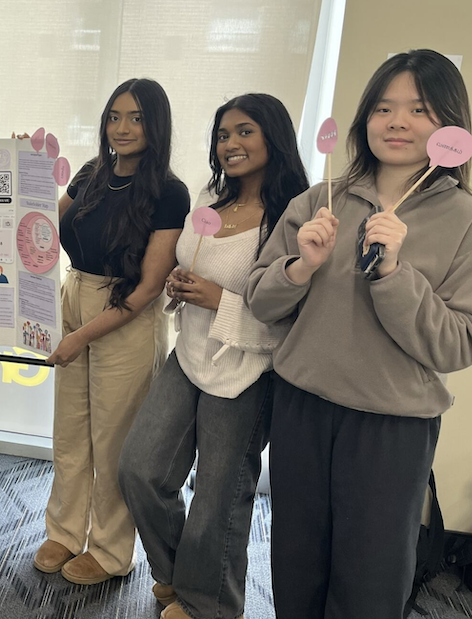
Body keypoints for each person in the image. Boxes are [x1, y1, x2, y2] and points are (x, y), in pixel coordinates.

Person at [246, 50, 472, 619]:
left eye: (419, 109)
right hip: (302, 408)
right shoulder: (319, 200)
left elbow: (459, 343)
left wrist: (395, 274)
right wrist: (300, 268)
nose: (397, 122)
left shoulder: (468, 220)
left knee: (370, 583)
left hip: (390, 427)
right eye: (383, 108)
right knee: (296, 566)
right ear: (364, 119)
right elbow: (260, 301)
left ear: (449, 124)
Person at [117, 94, 309, 618]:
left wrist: (219, 299)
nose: (230, 144)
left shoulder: (293, 217)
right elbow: (193, 262)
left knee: (219, 497)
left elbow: (291, 316)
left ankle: (210, 605)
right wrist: (182, 286)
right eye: (223, 135)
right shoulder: (211, 196)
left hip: (248, 369)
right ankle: (178, 574)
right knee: (140, 469)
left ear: (273, 137)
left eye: (245, 132)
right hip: (190, 354)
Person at [33, 78, 190, 585]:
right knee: (70, 431)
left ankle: (109, 550)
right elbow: (38, 227)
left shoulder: (169, 192)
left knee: (113, 440)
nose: (122, 128)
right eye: (115, 117)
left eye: (136, 118)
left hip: (126, 314)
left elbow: (148, 289)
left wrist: (81, 336)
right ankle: (64, 531)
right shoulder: (91, 173)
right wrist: (22, 168)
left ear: (156, 126)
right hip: (74, 293)